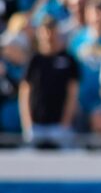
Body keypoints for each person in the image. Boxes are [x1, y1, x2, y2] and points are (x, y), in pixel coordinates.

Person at [20, 19, 79, 148]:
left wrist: (65, 122)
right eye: (45, 31)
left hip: (60, 126)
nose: (48, 35)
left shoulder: (68, 60)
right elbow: (25, 92)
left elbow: (72, 93)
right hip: (36, 126)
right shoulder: (34, 60)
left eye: (51, 31)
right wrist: (27, 123)